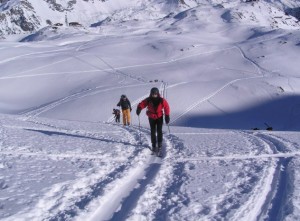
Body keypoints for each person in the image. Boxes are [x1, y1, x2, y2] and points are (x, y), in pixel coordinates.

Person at [136, 87, 170, 156]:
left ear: (157, 93)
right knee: (153, 131)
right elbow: (142, 103)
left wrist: (167, 116)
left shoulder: (161, 100)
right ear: (151, 94)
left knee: (159, 130)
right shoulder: (148, 100)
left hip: (159, 117)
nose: (154, 95)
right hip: (151, 117)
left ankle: (159, 144)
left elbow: (166, 107)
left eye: (155, 94)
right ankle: (154, 144)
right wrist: (139, 108)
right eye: (153, 94)